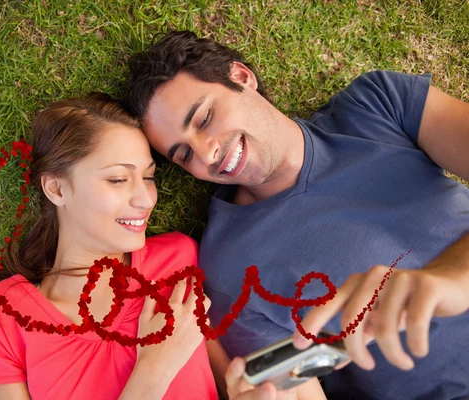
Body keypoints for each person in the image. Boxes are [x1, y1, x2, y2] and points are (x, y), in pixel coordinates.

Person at [124, 30, 469, 399]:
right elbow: (298, 387)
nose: (207, 155)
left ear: (241, 77)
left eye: (205, 118)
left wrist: (450, 279)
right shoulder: (229, 270)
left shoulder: (378, 103)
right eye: (184, 155)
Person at [0, 93, 256, 400]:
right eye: (117, 180)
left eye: (148, 177)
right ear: (57, 188)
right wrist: (155, 369)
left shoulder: (178, 261)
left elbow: (234, 384)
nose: (145, 199)